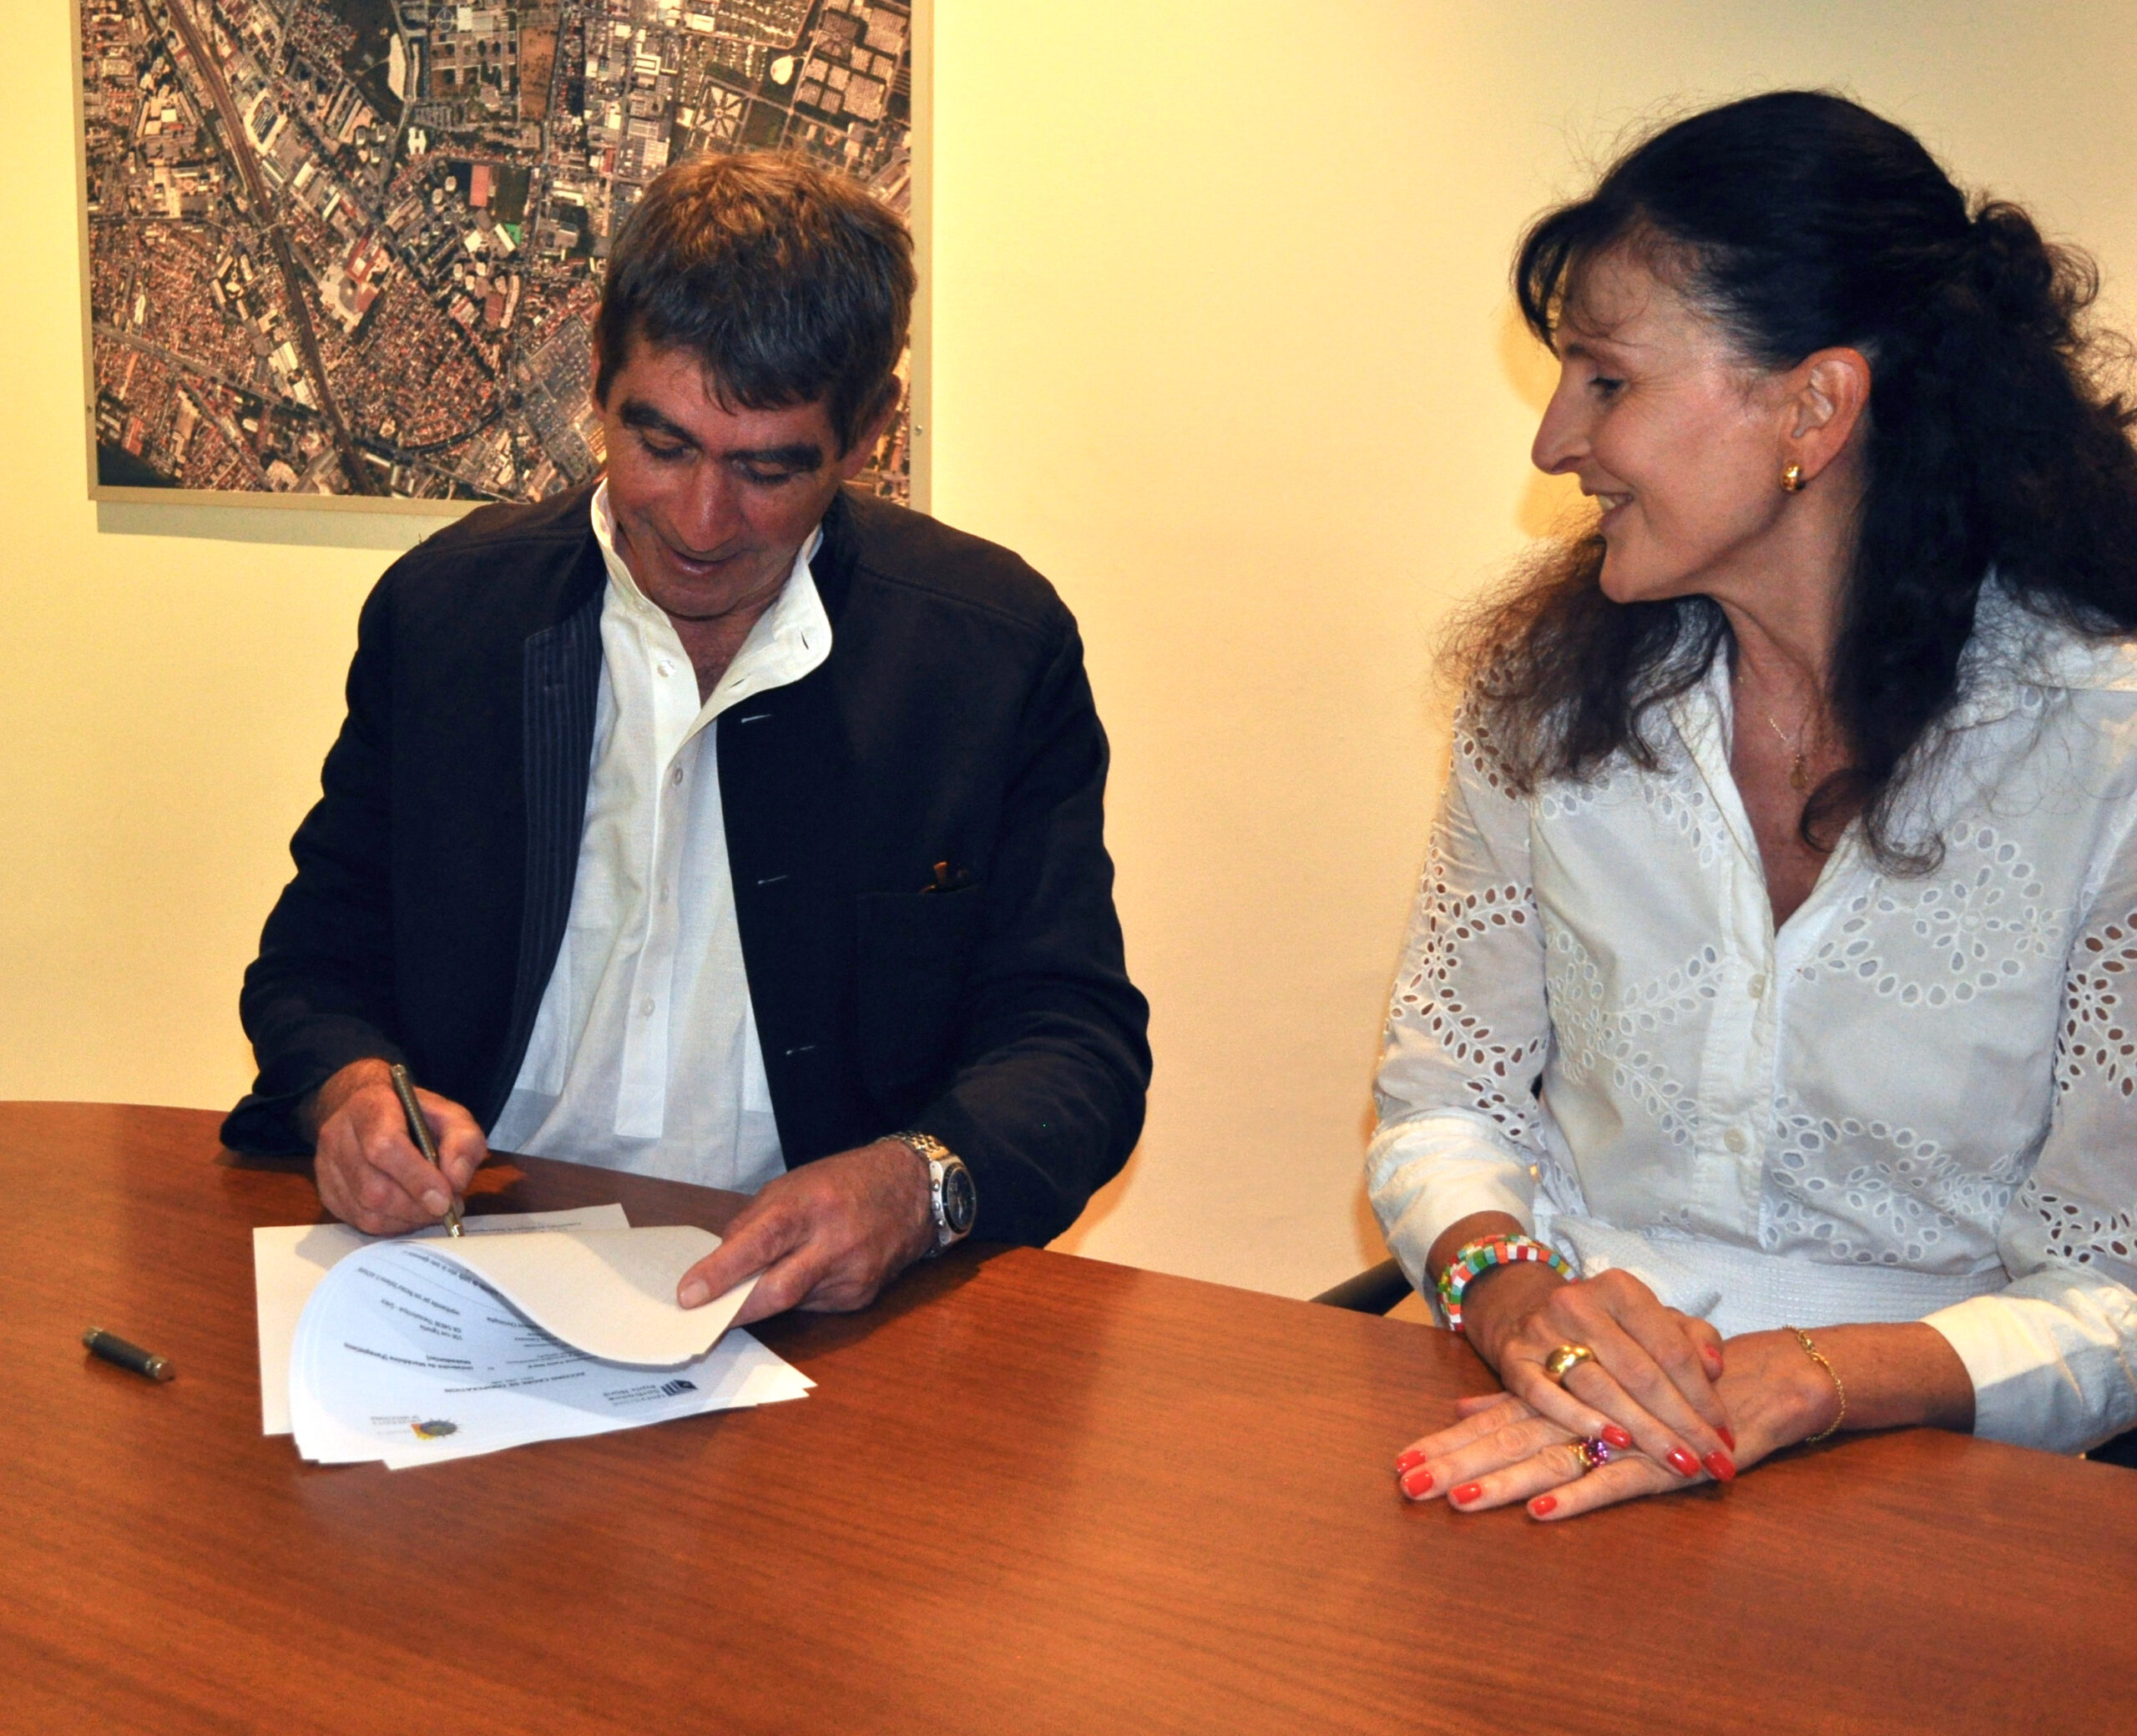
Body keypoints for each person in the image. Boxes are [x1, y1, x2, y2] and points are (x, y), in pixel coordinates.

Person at [1369, 90, 2137, 1520]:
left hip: (1941, 1490)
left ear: (1815, 407)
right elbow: (1442, 1103)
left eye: (1607, 382)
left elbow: (2120, 1287)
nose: (1552, 442)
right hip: (1541, 1412)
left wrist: (1817, 1376)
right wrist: (1512, 1292)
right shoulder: (1541, 704)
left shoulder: (2105, 756)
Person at [224, 152, 1149, 1326]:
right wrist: (351, 1092)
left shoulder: (987, 651)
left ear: (870, 433)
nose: (702, 523)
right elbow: (314, 966)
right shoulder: (449, 613)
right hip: (469, 1273)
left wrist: (916, 1188)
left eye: (768, 469)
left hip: (813, 1318)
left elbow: (1076, 1045)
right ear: (598, 383)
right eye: (660, 445)